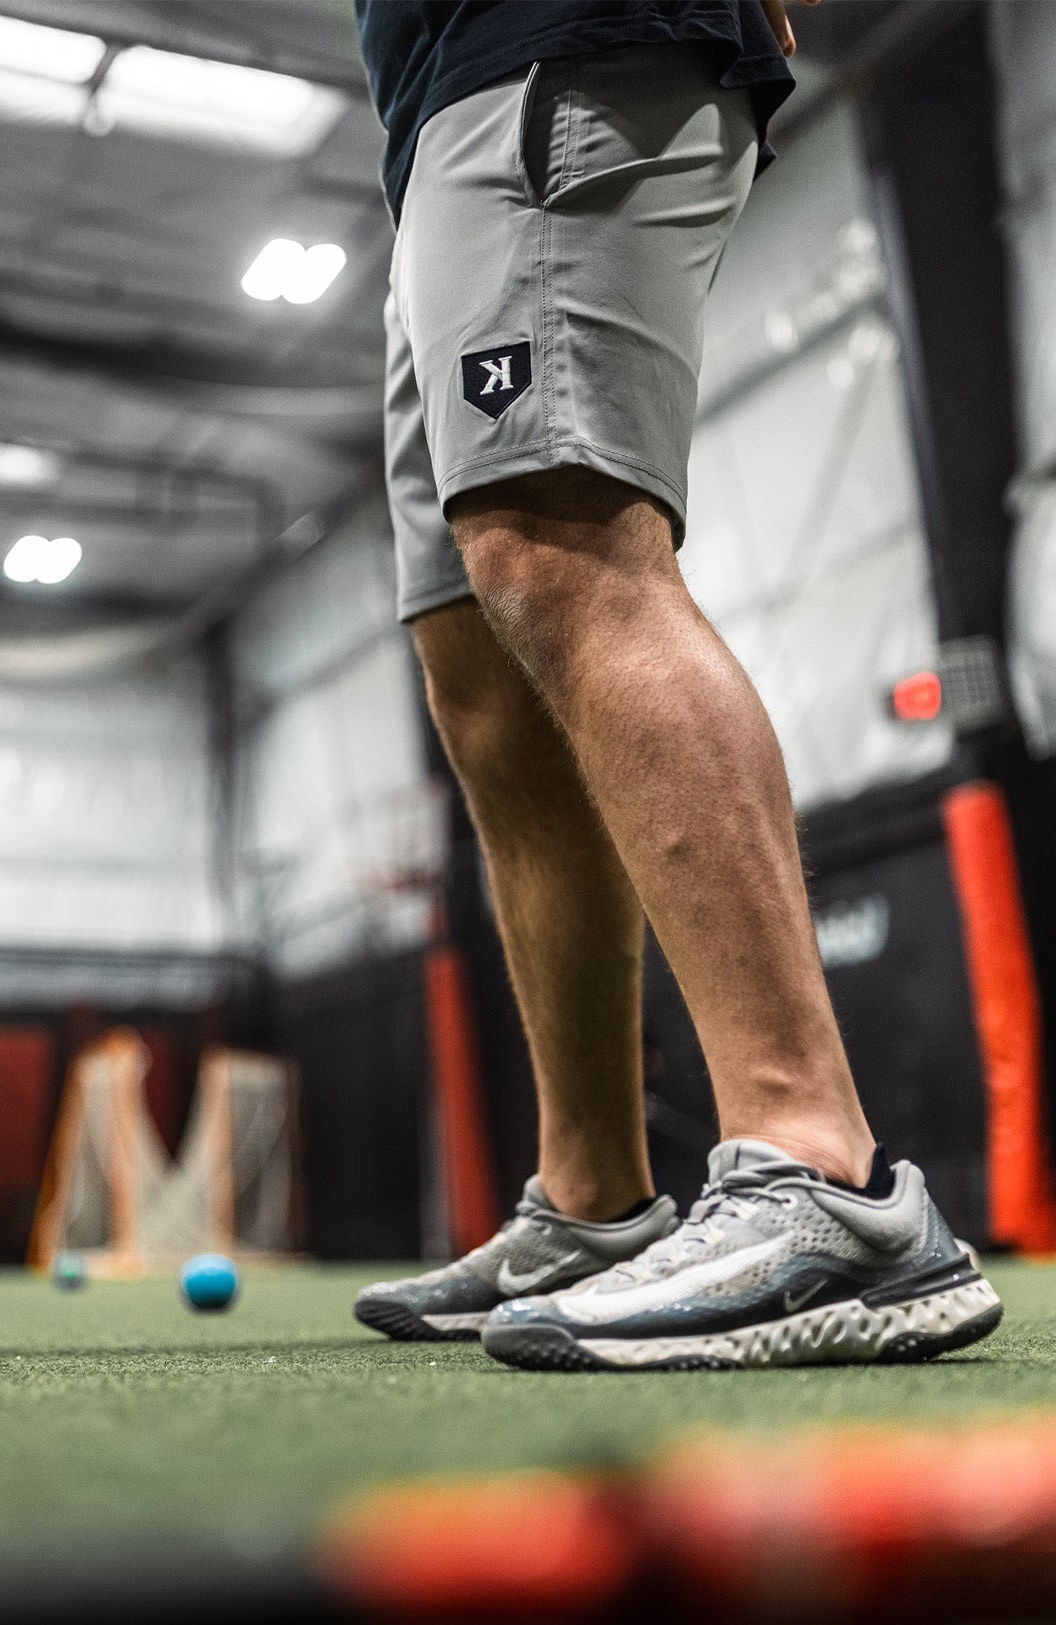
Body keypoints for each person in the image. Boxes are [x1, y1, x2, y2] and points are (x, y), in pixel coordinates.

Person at [351, 0, 1002, 1369]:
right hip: (435, 120)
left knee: (566, 549)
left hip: (549, 49)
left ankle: (818, 1168)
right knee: (477, 659)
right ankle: (593, 1201)